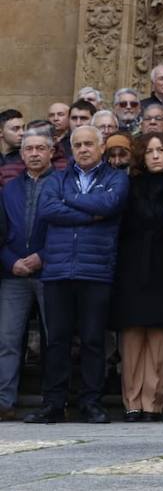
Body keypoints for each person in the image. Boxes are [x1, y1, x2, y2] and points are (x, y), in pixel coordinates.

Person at [26, 126, 128, 425]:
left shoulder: (116, 178)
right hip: (57, 270)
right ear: (70, 148)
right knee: (56, 340)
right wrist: (91, 213)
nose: (83, 149)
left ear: (100, 147)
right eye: (77, 144)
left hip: (95, 270)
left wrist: (69, 202)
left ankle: (91, 403)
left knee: (93, 340)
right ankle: (53, 403)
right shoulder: (57, 178)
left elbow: (110, 205)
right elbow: (48, 210)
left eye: (89, 144)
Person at [113, 134, 163, 422]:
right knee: (131, 338)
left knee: (159, 339)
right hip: (131, 266)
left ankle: (154, 402)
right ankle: (132, 402)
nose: (155, 155)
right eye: (150, 151)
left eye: (160, 150)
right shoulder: (127, 185)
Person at [0, 130, 55, 421]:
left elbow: (63, 229)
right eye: (29, 149)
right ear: (21, 155)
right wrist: (11, 263)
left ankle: (52, 400)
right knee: (7, 339)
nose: (34, 153)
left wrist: (40, 257)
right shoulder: (8, 189)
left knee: (53, 338)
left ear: (51, 152)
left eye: (40, 148)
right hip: (13, 275)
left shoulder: (61, 184)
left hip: (50, 272)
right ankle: (4, 401)